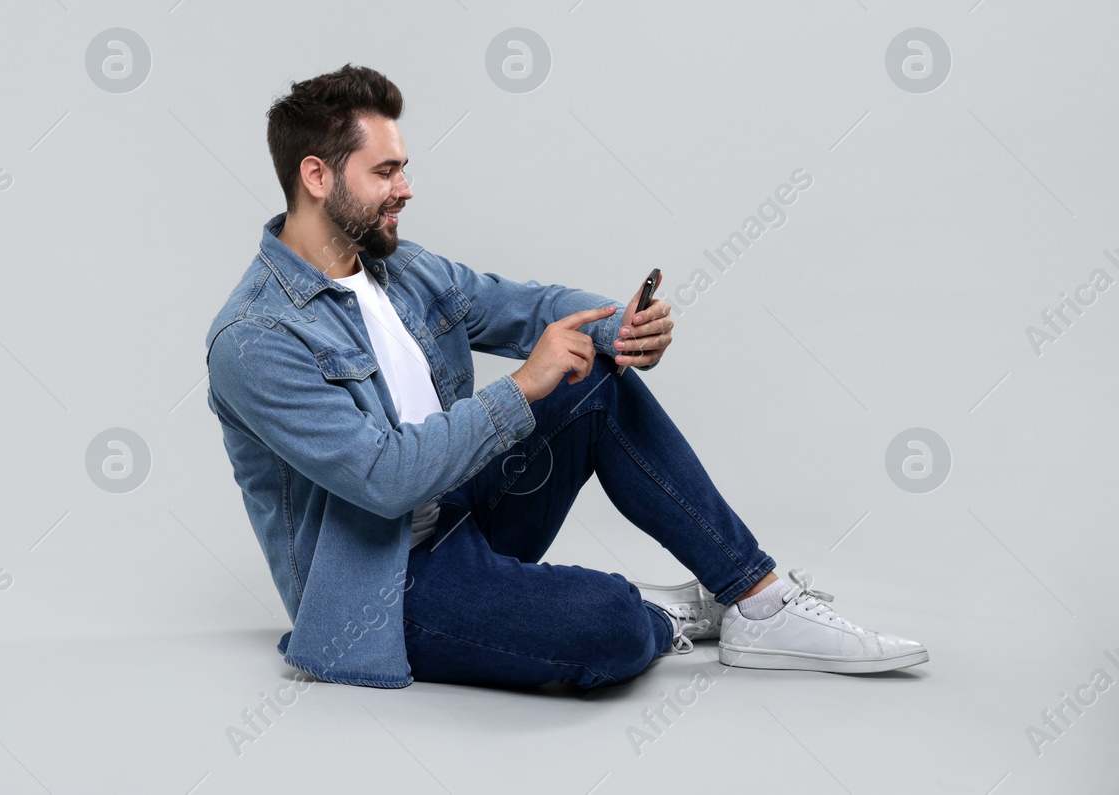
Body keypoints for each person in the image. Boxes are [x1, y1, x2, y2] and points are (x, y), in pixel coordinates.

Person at [203, 64, 927, 690]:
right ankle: (665, 611)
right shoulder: (255, 339)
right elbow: (385, 478)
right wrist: (520, 387)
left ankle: (758, 600)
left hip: (461, 514)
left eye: (404, 167)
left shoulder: (400, 268)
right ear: (316, 175)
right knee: (607, 625)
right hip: (382, 587)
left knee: (592, 374)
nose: (407, 189)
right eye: (386, 171)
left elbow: (527, 305)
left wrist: (619, 329)